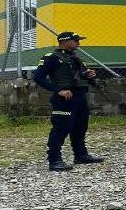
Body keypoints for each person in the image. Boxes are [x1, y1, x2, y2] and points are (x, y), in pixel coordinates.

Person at [33, 31, 105, 172]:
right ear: (65, 41)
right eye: (76, 40)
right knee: (61, 129)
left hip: (80, 97)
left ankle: (81, 155)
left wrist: (90, 75)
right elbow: (38, 77)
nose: (79, 43)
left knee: (80, 127)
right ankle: (54, 160)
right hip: (64, 98)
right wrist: (57, 90)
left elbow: (81, 77)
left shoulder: (77, 58)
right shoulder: (52, 58)